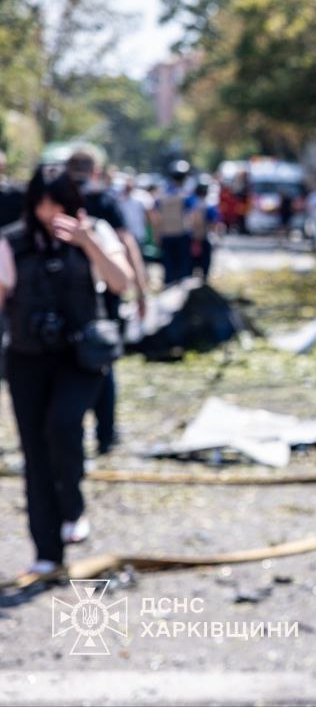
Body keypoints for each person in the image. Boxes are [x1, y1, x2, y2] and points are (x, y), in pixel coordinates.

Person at [0, 167, 132, 579]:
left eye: (58, 203)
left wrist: (85, 241)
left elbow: (120, 282)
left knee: (63, 426)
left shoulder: (97, 233)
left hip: (81, 357)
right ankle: (47, 550)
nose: (49, 212)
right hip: (28, 357)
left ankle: (73, 506)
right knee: (35, 454)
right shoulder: (12, 242)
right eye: (42, 202)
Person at [66, 149, 149, 456]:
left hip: (67, 300)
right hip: (103, 298)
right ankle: (105, 432)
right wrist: (141, 290)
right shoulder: (104, 201)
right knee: (103, 360)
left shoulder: (53, 201)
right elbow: (128, 245)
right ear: (96, 172)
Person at [152, 160, 194, 284]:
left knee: (168, 265)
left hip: (166, 234)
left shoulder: (162, 194)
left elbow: (156, 216)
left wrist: (157, 233)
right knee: (182, 266)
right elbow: (191, 216)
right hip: (182, 233)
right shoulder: (185, 196)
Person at [189, 182, 218, 279]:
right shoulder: (209, 205)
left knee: (192, 262)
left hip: (192, 237)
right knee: (205, 262)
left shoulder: (191, 203)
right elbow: (214, 223)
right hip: (205, 237)